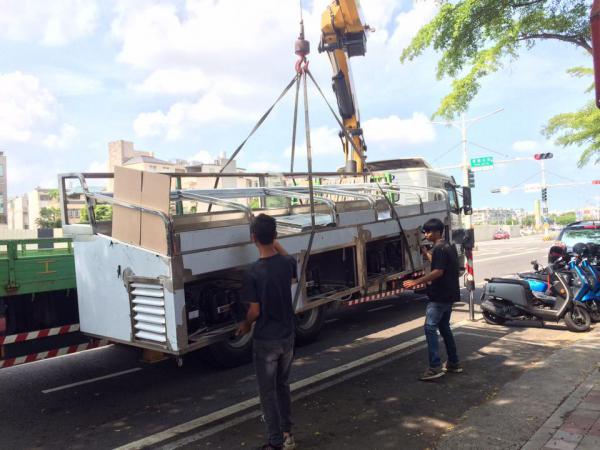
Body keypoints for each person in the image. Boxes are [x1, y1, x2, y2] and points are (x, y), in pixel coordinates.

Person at [236, 213, 298, 450]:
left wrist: (245, 325)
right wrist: (273, 240)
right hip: (288, 336)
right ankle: (288, 435)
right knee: (282, 386)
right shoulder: (287, 265)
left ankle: (275, 442)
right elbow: (287, 257)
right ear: (276, 236)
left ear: (253, 239)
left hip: (266, 340)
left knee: (268, 393)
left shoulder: (252, 272)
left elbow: (254, 310)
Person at [403, 218, 463, 381]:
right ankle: (453, 362)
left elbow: (438, 271)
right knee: (444, 326)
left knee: (430, 327)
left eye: (428, 232)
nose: (426, 235)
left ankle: (435, 367)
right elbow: (440, 263)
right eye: (425, 232)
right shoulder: (447, 246)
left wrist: (416, 281)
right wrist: (425, 252)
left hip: (440, 295)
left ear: (437, 232)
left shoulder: (439, 249)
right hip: (449, 294)